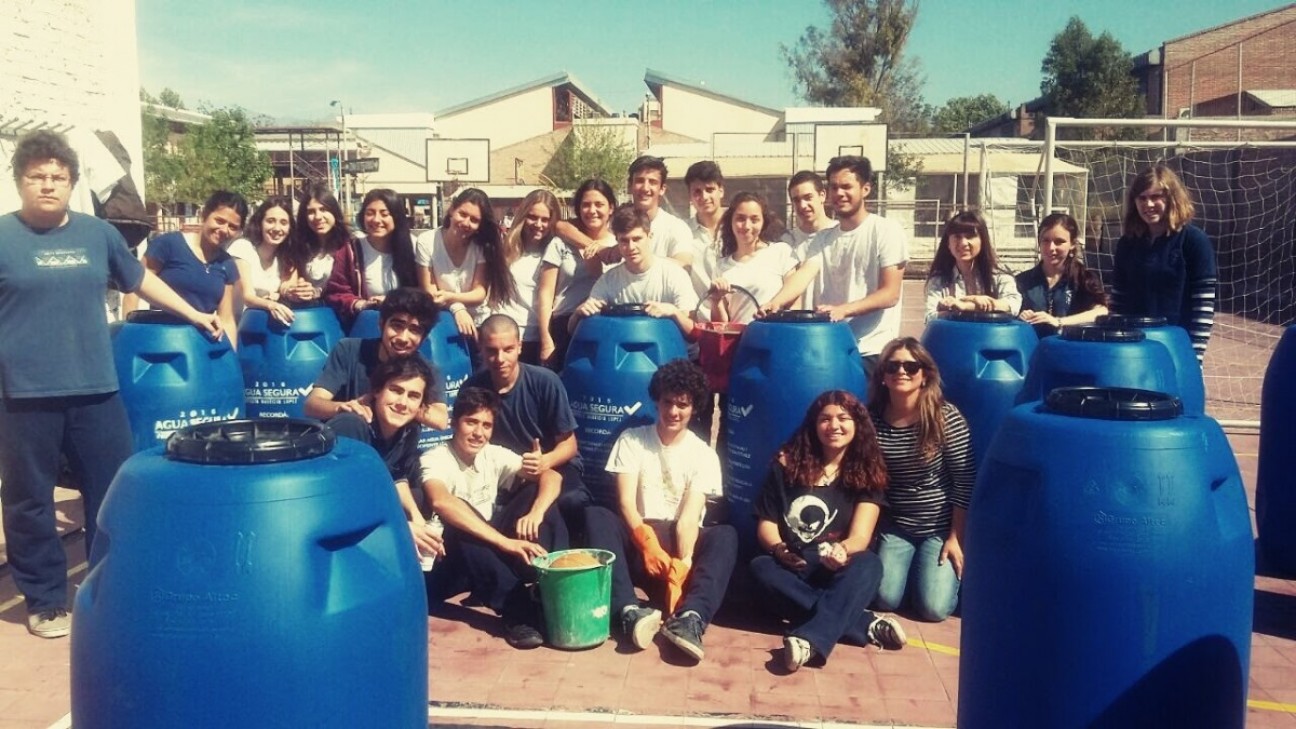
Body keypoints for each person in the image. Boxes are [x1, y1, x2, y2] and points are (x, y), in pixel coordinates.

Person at [0, 130, 221, 638]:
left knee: (113, 490)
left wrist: (192, 313)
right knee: (29, 499)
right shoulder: (4, 238)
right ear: (20, 181)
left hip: (95, 387)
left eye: (58, 177)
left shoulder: (96, 234)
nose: (49, 185)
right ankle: (46, 600)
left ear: (72, 182)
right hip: (23, 394)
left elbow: (139, 280)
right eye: (38, 176)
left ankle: (114, 585)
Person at [584, 359, 737, 662]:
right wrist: (647, 543)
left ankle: (691, 617)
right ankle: (628, 610)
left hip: (679, 541)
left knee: (726, 535)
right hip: (640, 539)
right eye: (668, 402)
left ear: (694, 408)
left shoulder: (703, 455)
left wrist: (682, 564)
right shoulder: (632, 439)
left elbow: (689, 518)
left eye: (683, 404)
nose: (673, 412)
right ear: (657, 400)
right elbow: (626, 502)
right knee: (596, 516)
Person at [750, 390, 907, 671]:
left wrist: (842, 550)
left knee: (870, 563)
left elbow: (861, 536)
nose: (834, 426)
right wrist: (778, 548)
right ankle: (863, 623)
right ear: (813, 425)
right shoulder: (786, 466)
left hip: (838, 566)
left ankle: (808, 640)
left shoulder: (867, 472)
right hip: (794, 565)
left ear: (857, 424)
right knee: (761, 568)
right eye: (825, 419)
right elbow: (766, 523)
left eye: (843, 418)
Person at [420, 386, 564, 649]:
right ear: (454, 423)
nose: (478, 433)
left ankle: (550, 585)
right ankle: (517, 610)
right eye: (471, 422)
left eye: (486, 425)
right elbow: (441, 501)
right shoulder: (435, 458)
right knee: (459, 513)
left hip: (485, 555)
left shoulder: (493, 454)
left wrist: (536, 512)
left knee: (537, 492)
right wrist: (504, 542)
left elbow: (553, 477)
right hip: (446, 564)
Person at [759, 156, 907, 378]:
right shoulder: (823, 238)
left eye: (847, 186)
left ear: (866, 189)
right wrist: (775, 303)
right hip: (830, 347)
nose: (839, 193)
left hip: (872, 351)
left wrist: (844, 310)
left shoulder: (886, 230)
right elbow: (804, 274)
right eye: (834, 187)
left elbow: (890, 294)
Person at [866, 338, 975, 622]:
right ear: (883, 377)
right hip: (897, 525)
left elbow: (965, 480)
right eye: (893, 366)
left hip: (939, 528)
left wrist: (956, 537)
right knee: (884, 598)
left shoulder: (944, 417)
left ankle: (936, 578)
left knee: (933, 609)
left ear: (925, 374)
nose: (901, 371)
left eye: (911, 366)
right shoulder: (871, 419)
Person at [464, 315, 590, 528]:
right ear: (481, 350)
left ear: (520, 347)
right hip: (503, 469)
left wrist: (545, 461)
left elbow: (569, 445)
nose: (500, 359)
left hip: (553, 462)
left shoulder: (545, 381)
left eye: (508, 349)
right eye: (492, 351)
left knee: (572, 500)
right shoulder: (473, 387)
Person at [329, 357, 446, 563]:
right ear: (376, 391)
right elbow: (342, 500)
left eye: (413, 396)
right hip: (336, 521)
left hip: (370, 509)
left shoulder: (410, 430)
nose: (402, 403)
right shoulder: (351, 426)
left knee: (428, 507)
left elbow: (396, 475)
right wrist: (400, 526)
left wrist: (417, 518)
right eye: (396, 390)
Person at [1112, 164, 1217, 361]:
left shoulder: (1194, 241)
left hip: (1175, 348)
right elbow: (1118, 301)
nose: (1148, 204)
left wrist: (1195, 356)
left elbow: (1203, 306)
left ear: (1172, 199)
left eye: (1155, 197)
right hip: (1133, 349)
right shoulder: (1127, 244)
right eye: (1142, 198)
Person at [303, 287, 447, 430]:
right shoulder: (349, 350)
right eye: (397, 326)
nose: (403, 338)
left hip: (395, 447)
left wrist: (396, 403)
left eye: (414, 330)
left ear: (423, 338)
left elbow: (440, 420)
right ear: (381, 324)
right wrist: (342, 407)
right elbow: (312, 405)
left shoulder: (425, 369)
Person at [124, 190, 245, 344]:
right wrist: (128, 337)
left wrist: (230, 361)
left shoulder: (227, 264)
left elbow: (226, 319)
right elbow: (134, 288)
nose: (224, 230)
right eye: (219, 221)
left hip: (199, 345)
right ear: (204, 215)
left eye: (233, 227)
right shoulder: (168, 244)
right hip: (160, 340)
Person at [569, 204, 698, 339]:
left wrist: (674, 312)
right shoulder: (608, 280)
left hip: (671, 353)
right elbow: (573, 331)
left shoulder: (675, 274)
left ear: (650, 236)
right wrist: (578, 314)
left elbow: (693, 334)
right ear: (616, 241)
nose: (631, 247)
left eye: (637, 239)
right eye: (624, 241)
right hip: (624, 352)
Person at [415, 188, 515, 342]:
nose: (466, 223)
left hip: (478, 325)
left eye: (474, 220)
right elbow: (430, 292)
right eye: (462, 214)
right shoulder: (426, 241)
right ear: (452, 211)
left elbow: (479, 293)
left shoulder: (480, 247)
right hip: (444, 322)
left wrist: (450, 297)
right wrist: (457, 308)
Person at [536, 179, 616, 369]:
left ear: (611, 208)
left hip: (607, 327)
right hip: (564, 327)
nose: (592, 210)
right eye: (586, 205)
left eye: (599, 204)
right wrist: (546, 340)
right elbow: (545, 294)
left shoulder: (619, 245)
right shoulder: (560, 243)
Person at [325, 188, 420, 329]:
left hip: (406, 330)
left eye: (384, 214)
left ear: (396, 217)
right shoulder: (351, 249)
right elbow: (336, 291)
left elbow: (423, 291)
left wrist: (393, 301)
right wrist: (360, 304)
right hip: (367, 327)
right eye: (370, 213)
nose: (376, 220)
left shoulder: (413, 247)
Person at [708, 192, 798, 324]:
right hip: (741, 342)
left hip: (777, 338)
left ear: (763, 222)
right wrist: (716, 300)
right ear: (730, 221)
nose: (747, 226)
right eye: (740, 219)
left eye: (754, 219)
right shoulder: (721, 267)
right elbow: (721, 325)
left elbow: (795, 300)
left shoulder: (780, 252)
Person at [1015, 212, 1109, 337]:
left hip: (1070, 350)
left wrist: (1059, 322)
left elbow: (1101, 311)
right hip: (1033, 352)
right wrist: (1020, 317)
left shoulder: (1084, 279)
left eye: (1059, 242)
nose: (1051, 248)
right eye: (1046, 240)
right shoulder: (1022, 281)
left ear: (1072, 244)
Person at [497, 190, 560, 365]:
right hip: (506, 336)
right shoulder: (506, 251)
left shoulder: (557, 253)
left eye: (545, 219)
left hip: (540, 338)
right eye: (532, 217)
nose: (538, 224)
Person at [923, 210, 1021, 322]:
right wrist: (967, 305)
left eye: (970, 236)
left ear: (983, 241)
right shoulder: (939, 280)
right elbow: (930, 317)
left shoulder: (999, 274)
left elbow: (1013, 304)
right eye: (957, 237)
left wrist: (968, 304)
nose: (963, 243)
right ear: (948, 243)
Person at [225, 195, 297, 325]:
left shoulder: (285, 258)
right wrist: (271, 304)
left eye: (283, 223)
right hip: (237, 326)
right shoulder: (242, 248)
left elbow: (289, 287)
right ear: (260, 223)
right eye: (270, 221)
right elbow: (247, 297)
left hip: (263, 326)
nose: (277, 228)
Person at [287, 183, 349, 305]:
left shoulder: (350, 246)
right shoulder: (299, 247)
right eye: (311, 212)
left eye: (323, 209)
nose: (318, 217)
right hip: (311, 315)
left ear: (334, 212)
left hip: (342, 313)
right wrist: (296, 290)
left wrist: (318, 291)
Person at [683, 161, 726, 299]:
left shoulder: (740, 227)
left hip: (739, 316)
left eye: (709, 189)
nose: (704, 197)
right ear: (689, 197)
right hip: (698, 318)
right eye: (697, 191)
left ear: (721, 191)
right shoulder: (682, 232)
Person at [783, 170, 837, 259]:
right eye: (796, 200)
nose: (802, 205)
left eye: (808, 198)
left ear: (822, 195)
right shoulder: (787, 241)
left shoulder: (841, 234)